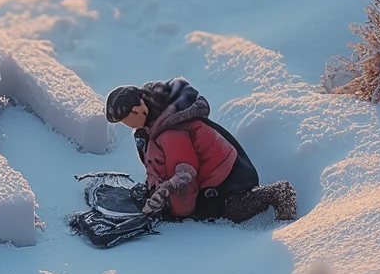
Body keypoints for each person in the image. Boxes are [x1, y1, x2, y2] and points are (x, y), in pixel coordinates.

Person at [104, 80, 297, 226]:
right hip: (208, 175)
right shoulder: (148, 129)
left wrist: (178, 213)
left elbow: (185, 177)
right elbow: (156, 164)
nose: (125, 125)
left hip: (224, 179)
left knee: (231, 210)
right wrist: (153, 188)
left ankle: (277, 193)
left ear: (138, 110)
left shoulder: (171, 133)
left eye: (124, 120)